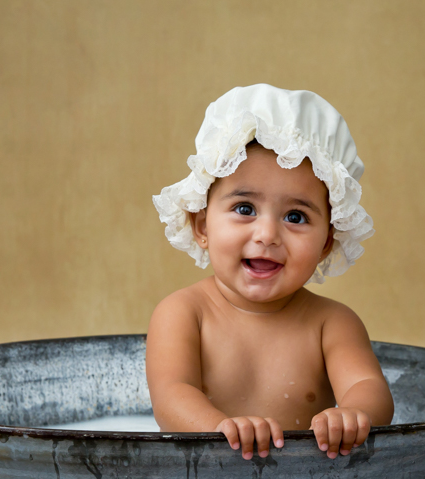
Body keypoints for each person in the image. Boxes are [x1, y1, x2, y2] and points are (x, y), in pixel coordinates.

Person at [148, 84, 393, 460]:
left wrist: (352, 415)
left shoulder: (332, 323)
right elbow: (170, 396)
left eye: (295, 217)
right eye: (244, 208)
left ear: (327, 242)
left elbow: (368, 386)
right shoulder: (183, 313)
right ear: (201, 227)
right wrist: (219, 428)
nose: (267, 235)